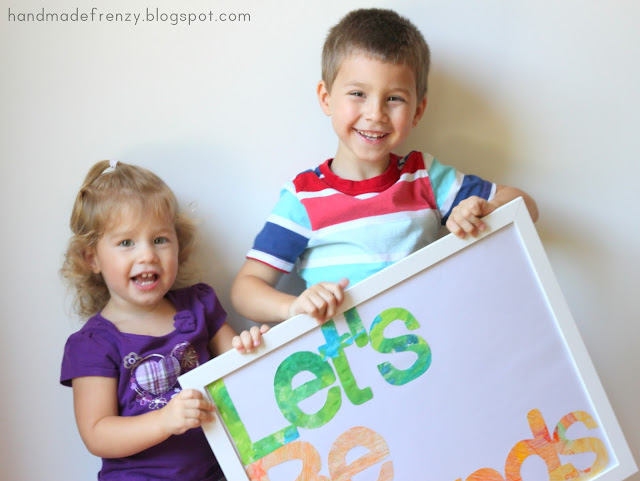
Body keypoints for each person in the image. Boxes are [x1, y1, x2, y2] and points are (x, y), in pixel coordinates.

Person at [231, 8, 538, 325]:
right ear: (326, 98)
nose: (375, 114)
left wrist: (487, 210)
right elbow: (245, 289)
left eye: (394, 99)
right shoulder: (303, 198)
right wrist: (294, 307)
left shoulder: (424, 177)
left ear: (417, 111)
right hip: (347, 350)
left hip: (431, 337)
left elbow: (526, 205)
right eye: (358, 94)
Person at [60, 159, 267, 481]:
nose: (147, 255)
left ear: (178, 245)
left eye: (160, 240)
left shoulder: (198, 306)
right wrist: (165, 420)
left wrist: (253, 347)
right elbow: (97, 434)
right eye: (126, 243)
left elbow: (241, 372)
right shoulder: (93, 344)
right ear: (92, 258)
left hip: (218, 471)